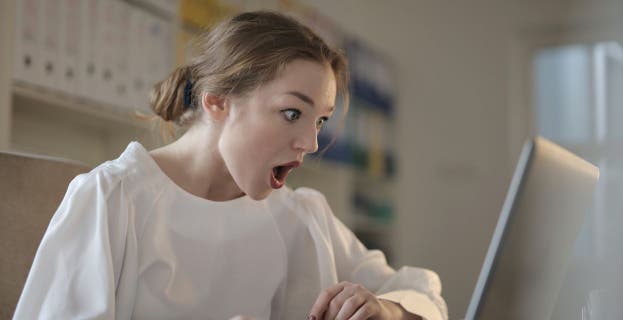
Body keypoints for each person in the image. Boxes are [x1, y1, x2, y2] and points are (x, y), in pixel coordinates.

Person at [13, 11, 447, 320]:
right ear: (218, 102)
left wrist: (387, 310)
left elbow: (422, 292)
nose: (311, 142)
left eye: (320, 121)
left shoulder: (301, 214)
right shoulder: (111, 200)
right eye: (292, 113)